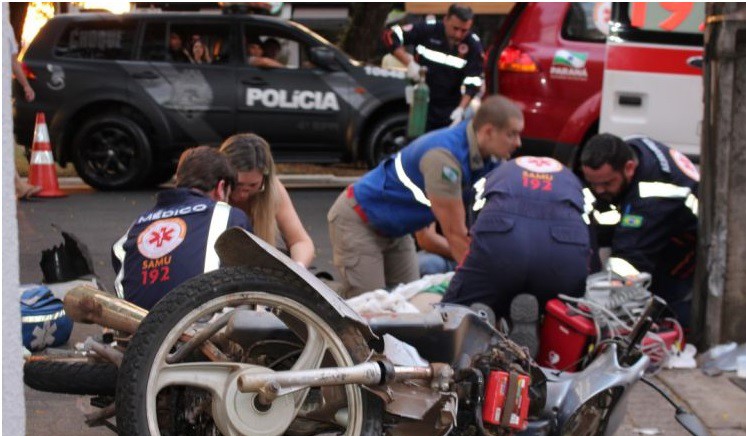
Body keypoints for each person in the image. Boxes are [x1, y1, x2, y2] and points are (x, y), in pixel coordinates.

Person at [328, 95, 523, 298]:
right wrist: (490, 285)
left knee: (406, 306)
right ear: (489, 131)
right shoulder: (444, 159)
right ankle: (325, 300)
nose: (518, 142)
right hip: (359, 221)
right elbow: (456, 234)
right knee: (366, 312)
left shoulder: (487, 157)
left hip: (395, 231)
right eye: (512, 134)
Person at [442, 157, 591, 320]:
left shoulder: (495, 174)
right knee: (569, 319)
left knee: (450, 315)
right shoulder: (575, 181)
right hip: (565, 242)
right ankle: (545, 330)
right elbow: (589, 238)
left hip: (501, 232)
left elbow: (474, 225)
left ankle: (490, 319)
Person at [580, 133, 700, 326]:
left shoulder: (652, 194)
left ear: (629, 168)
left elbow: (629, 260)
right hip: (662, 230)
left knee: (663, 312)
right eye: (593, 183)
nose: (599, 190)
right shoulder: (630, 150)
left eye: (606, 183)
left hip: (685, 250)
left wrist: (596, 301)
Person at [111, 147, 251, 310]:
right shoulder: (230, 215)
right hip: (201, 325)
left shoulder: (137, 226)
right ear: (221, 187)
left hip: (137, 328)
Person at [384, 4, 484, 131]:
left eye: (464, 30)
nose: (458, 35)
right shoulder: (428, 29)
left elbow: (474, 81)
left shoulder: (472, 45)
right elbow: (390, 35)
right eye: (455, 28)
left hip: (449, 106)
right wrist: (408, 62)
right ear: (446, 20)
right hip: (421, 100)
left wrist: (461, 109)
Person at [220, 133, 315, 268]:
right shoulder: (208, 188)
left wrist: (298, 267)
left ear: (265, 180)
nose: (243, 194)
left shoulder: (274, 191)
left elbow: (300, 241)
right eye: (238, 184)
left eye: (253, 185)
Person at [7, 18, 41, 199]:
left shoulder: (6, 30)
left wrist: (26, 86)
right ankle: (18, 186)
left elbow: (13, 62)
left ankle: (18, 186)